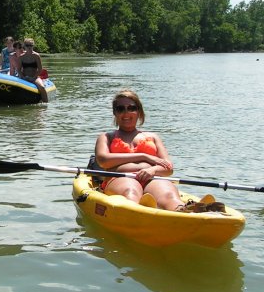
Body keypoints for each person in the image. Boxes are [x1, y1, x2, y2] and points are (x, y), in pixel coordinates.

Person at [92, 89, 224, 212]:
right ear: (115, 113)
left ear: (139, 111)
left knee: (168, 196)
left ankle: (184, 210)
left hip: (153, 178)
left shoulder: (153, 137)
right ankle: (136, 211)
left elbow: (168, 168)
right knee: (130, 192)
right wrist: (144, 156)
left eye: (131, 108)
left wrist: (153, 170)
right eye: (120, 109)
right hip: (121, 178)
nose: (126, 113)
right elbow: (103, 161)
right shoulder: (106, 137)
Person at [18, 38, 48, 102]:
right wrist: (22, 77)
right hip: (24, 77)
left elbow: (40, 69)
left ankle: (46, 104)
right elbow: (18, 69)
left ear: (33, 46)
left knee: (42, 87)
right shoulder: (21, 57)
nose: (29, 47)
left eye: (31, 45)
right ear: (24, 46)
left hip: (34, 77)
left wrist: (34, 77)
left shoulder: (36, 56)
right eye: (27, 45)